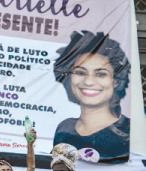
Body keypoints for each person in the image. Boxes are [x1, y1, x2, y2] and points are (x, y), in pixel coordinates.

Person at [53, 30, 131, 164]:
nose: (88, 82)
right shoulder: (64, 128)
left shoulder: (128, 132)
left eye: (101, 74)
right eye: (80, 72)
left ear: (116, 81)